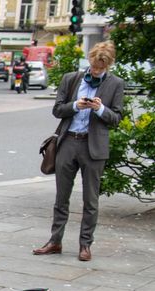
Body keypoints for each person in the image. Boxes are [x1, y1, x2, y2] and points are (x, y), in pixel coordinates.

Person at [33, 41, 124, 262]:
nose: (96, 71)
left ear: (108, 65)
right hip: (68, 142)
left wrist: (100, 108)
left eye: (101, 68)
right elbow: (57, 109)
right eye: (94, 66)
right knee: (61, 196)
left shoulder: (116, 84)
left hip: (93, 147)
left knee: (90, 199)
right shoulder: (71, 79)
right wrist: (76, 106)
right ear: (90, 61)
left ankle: (85, 245)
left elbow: (116, 118)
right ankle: (55, 241)